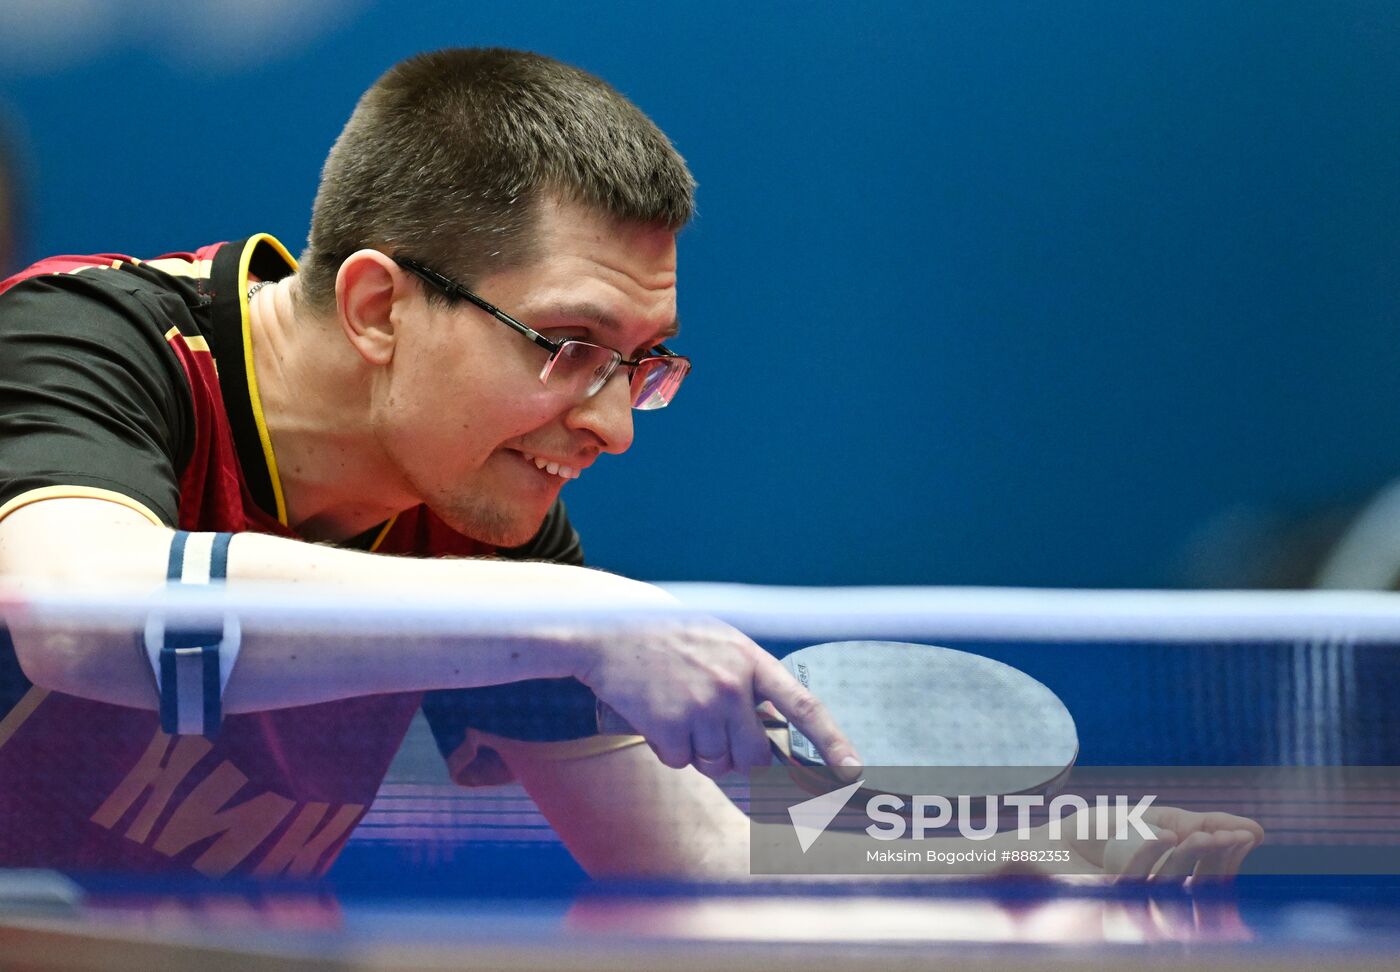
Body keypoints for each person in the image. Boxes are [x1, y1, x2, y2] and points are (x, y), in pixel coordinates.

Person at [0, 48, 1257, 881]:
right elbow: (83, 615)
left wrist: (1000, 890)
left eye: (641, 363)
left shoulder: (480, 514)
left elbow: (694, 878)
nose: (612, 426)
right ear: (379, 307)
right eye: (567, 347)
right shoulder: (86, 345)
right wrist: (580, 620)